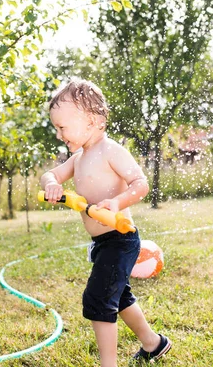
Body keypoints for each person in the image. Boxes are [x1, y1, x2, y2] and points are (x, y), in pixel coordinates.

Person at [40, 78, 171, 366]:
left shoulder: (111, 150)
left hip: (121, 239)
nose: (59, 134)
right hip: (101, 242)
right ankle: (154, 343)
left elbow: (141, 183)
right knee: (119, 297)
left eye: (63, 127)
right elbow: (50, 174)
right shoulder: (78, 157)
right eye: (56, 128)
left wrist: (118, 202)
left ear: (93, 120)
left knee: (98, 299)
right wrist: (51, 184)